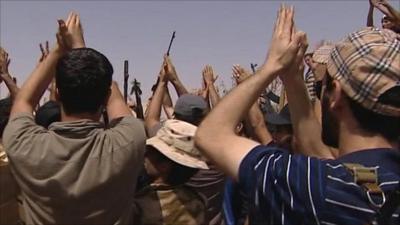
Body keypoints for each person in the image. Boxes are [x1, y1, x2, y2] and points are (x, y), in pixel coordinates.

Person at [195, 4, 400, 225]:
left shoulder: (313, 186)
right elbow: (316, 150)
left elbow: (210, 135)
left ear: (336, 95)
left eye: (325, 84)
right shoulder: (358, 182)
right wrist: (293, 78)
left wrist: (272, 66)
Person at [3, 12, 146, 224]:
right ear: (105, 96)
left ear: (57, 93)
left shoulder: (24, 143)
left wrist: (59, 49)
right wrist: (79, 45)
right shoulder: (128, 140)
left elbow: (23, 101)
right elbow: (116, 101)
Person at [133, 119, 208, 225]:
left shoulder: (141, 206)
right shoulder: (198, 200)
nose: (145, 155)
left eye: (150, 151)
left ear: (164, 166)